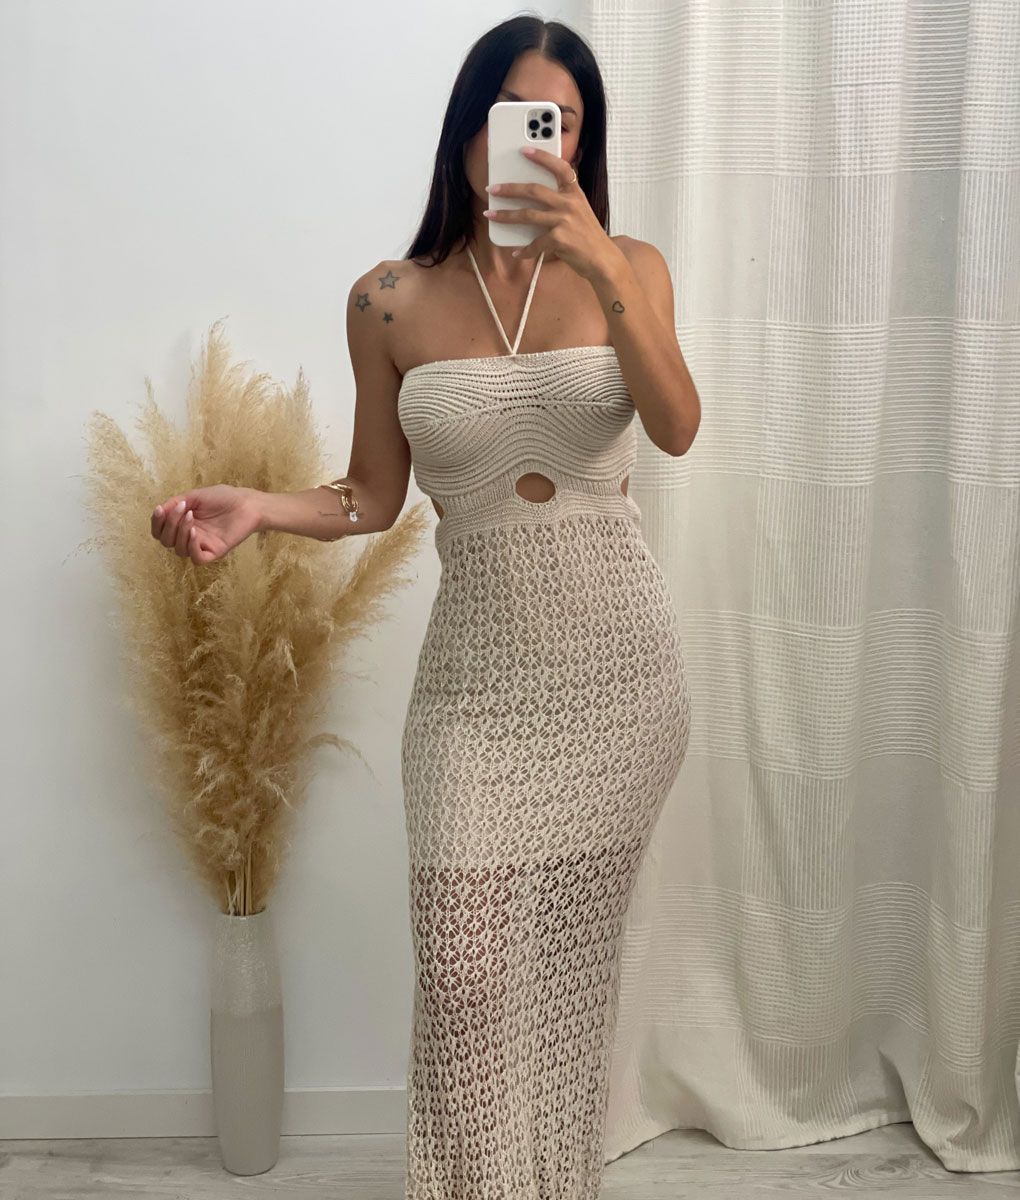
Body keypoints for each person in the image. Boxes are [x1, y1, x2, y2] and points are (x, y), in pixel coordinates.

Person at [151, 16, 698, 1200]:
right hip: (476, 695)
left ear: (584, 144)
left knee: (565, 992)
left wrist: (604, 270)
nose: (539, 147)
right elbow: (370, 494)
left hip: (618, 680)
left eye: (563, 127)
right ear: (466, 133)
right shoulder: (389, 302)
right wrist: (259, 508)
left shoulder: (633, 270)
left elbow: (678, 427)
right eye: (516, 120)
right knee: (463, 982)